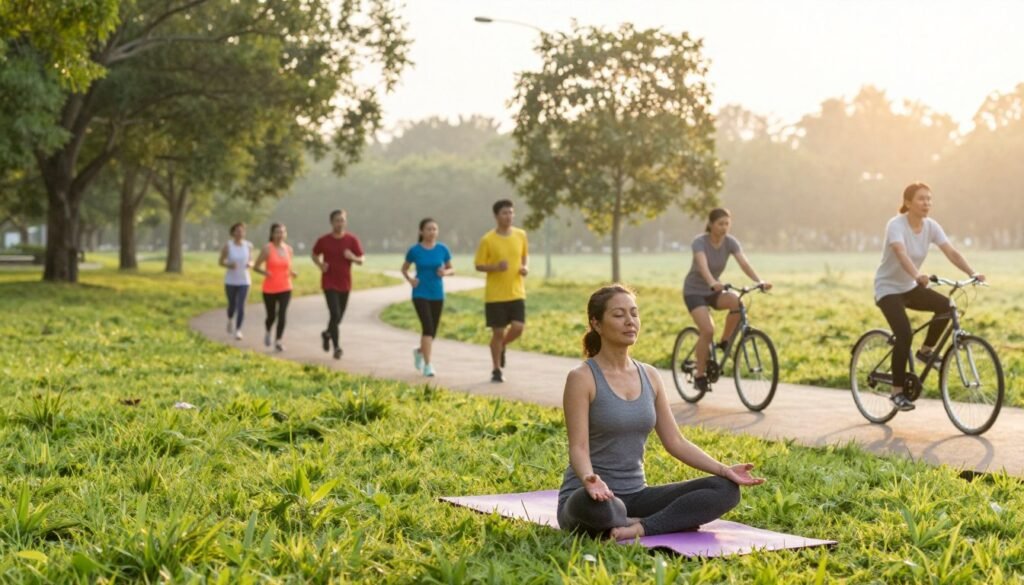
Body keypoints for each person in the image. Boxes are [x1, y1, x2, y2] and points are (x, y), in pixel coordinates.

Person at [558, 285, 764, 540]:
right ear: (596, 324)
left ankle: (639, 527)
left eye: (634, 313)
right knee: (601, 510)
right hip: (590, 496)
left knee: (725, 490)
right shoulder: (582, 377)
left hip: (637, 496)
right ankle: (652, 520)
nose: (630, 321)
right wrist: (590, 479)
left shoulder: (650, 375)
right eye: (619, 315)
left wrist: (724, 470)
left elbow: (675, 441)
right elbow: (578, 447)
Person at [873, 182, 984, 412]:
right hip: (888, 289)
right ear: (908, 203)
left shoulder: (931, 226)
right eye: (922, 199)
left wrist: (972, 273)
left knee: (946, 305)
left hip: (909, 287)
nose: (927, 203)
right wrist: (917, 275)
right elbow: (901, 253)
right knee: (904, 333)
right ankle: (896, 392)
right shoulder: (896, 225)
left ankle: (926, 352)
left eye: (929, 199)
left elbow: (951, 252)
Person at [682, 208, 771, 392]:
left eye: (727, 224)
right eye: (720, 223)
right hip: (694, 291)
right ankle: (699, 375)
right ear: (711, 224)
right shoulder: (700, 242)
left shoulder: (730, 243)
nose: (724, 227)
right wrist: (712, 282)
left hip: (714, 290)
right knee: (707, 330)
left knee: (737, 303)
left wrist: (759, 281)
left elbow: (744, 263)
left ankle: (724, 342)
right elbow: (702, 265)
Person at [474, 199, 529, 383]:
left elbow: (524, 258)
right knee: (497, 333)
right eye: (505, 213)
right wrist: (496, 267)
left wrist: (524, 268)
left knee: (518, 327)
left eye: (511, 213)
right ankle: (496, 370)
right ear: (496, 216)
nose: (509, 216)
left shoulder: (521, 235)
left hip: (516, 291)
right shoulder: (488, 239)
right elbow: (479, 265)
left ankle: (502, 345)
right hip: (495, 295)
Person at [401, 218, 454, 377]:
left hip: (437, 293)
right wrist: (410, 280)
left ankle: (419, 352)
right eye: (429, 229)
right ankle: (428, 365)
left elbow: (451, 269)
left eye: (435, 229)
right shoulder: (414, 250)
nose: (432, 232)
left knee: (433, 332)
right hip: (420, 293)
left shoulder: (443, 249)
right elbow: (404, 269)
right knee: (428, 328)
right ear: (421, 231)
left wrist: (445, 272)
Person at [312, 209, 365, 359]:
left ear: (345, 222)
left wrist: (352, 257)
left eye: (342, 220)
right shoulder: (323, 240)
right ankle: (337, 348)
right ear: (331, 222)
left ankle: (327, 333)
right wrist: (320, 265)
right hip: (329, 282)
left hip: (345, 283)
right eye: (337, 220)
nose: (340, 223)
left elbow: (362, 259)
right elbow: (314, 254)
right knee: (334, 314)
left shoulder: (351, 240)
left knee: (338, 317)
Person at [253, 223, 296, 352]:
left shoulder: (289, 249)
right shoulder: (267, 249)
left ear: (285, 234)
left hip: (286, 287)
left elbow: (288, 267)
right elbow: (256, 266)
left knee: (282, 314)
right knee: (271, 316)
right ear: (272, 234)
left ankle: (278, 340)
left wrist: (292, 273)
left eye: (282, 232)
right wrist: (264, 272)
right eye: (277, 232)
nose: (280, 235)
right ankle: (268, 331)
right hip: (270, 288)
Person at [218, 222, 254, 341]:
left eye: (242, 231)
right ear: (233, 232)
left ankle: (238, 330)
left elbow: (252, 260)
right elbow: (221, 262)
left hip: (244, 280)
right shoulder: (228, 246)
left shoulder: (248, 246)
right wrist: (229, 264)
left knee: (241, 306)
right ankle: (230, 319)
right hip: (231, 280)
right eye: (237, 231)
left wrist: (250, 264)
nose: (240, 233)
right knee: (232, 304)